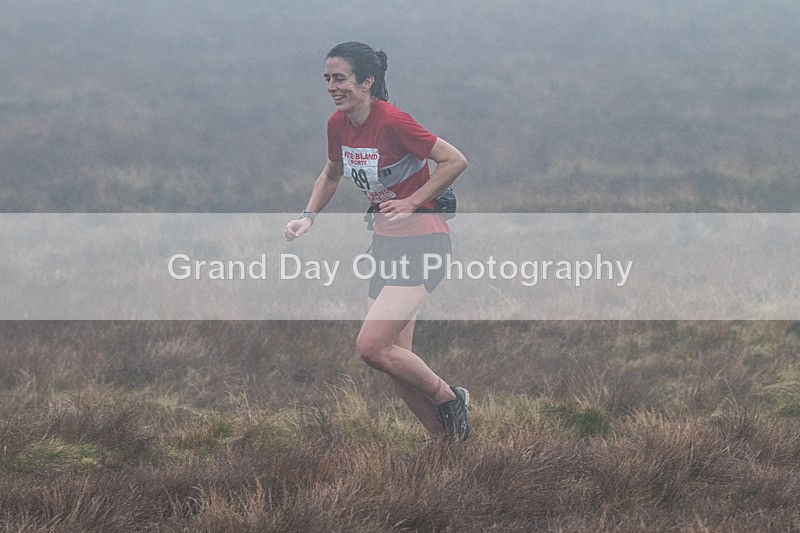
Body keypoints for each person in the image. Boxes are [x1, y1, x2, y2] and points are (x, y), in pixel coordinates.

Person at [284, 42, 470, 441]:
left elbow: (454, 159)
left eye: (340, 79)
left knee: (372, 347)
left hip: (424, 243)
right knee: (393, 359)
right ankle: (445, 442)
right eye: (327, 79)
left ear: (367, 81)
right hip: (384, 246)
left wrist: (413, 201)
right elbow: (331, 174)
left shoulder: (393, 121)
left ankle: (450, 398)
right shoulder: (338, 124)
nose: (332, 87)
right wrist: (307, 217)